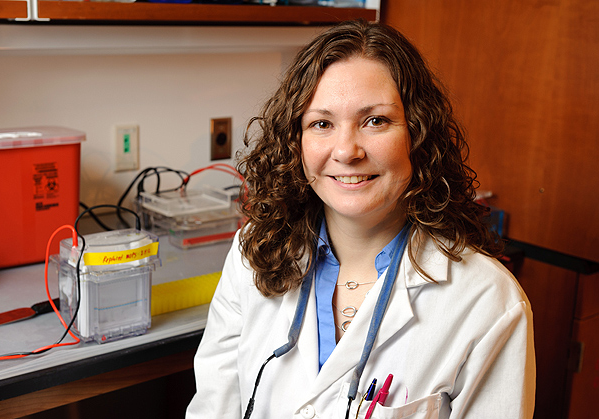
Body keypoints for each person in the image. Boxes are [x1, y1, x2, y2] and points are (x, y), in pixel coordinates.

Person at [186, 19, 535, 419]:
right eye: (322, 123)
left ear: (418, 135)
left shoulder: (487, 301)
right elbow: (213, 408)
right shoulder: (254, 253)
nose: (347, 150)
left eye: (375, 121)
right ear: (295, 141)